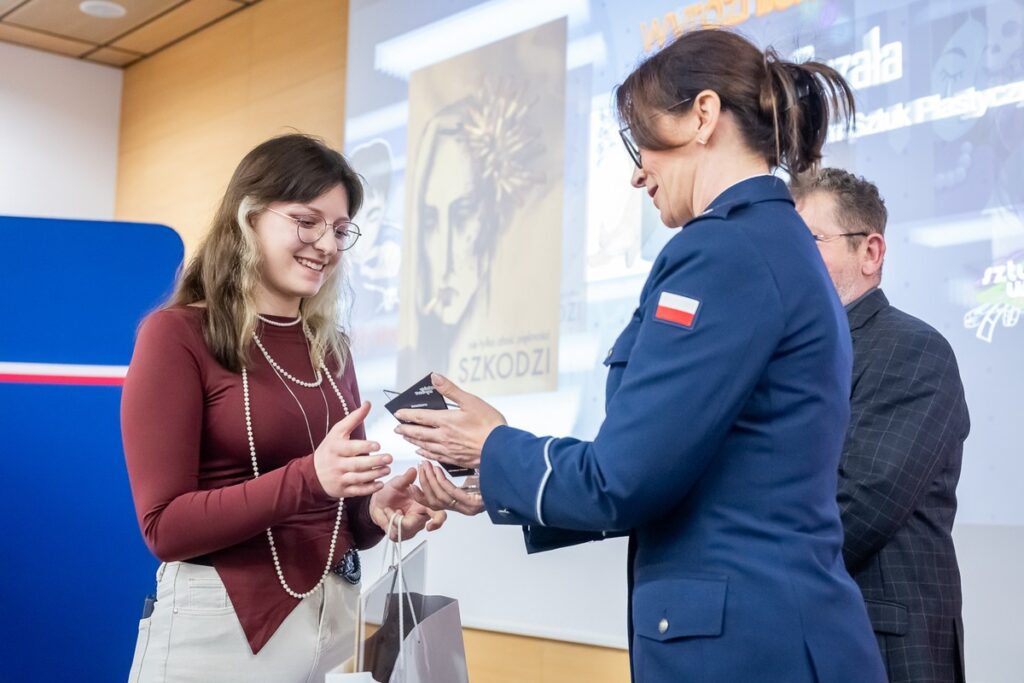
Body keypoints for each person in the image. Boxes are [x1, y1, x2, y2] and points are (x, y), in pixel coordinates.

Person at [398, 28, 886, 683]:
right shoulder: (769, 243)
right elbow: (677, 471)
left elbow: (623, 479)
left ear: (703, 115)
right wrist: (497, 481)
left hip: (747, 649)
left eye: (641, 139)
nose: (636, 171)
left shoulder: (723, 252)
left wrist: (494, 446)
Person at [121, 134, 445, 682]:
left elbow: (336, 511)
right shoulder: (177, 335)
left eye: (340, 230)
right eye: (306, 220)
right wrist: (310, 478)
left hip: (328, 628)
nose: (327, 243)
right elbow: (164, 527)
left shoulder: (331, 347)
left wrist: (377, 512)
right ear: (248, 219)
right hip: (216, 635)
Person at [792, 168, 970, 683]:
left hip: (882, 649)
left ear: (870, 253)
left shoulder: (912, 350)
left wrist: (743, 568)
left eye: (810, 241)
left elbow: (856, 508)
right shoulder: (792, 358)